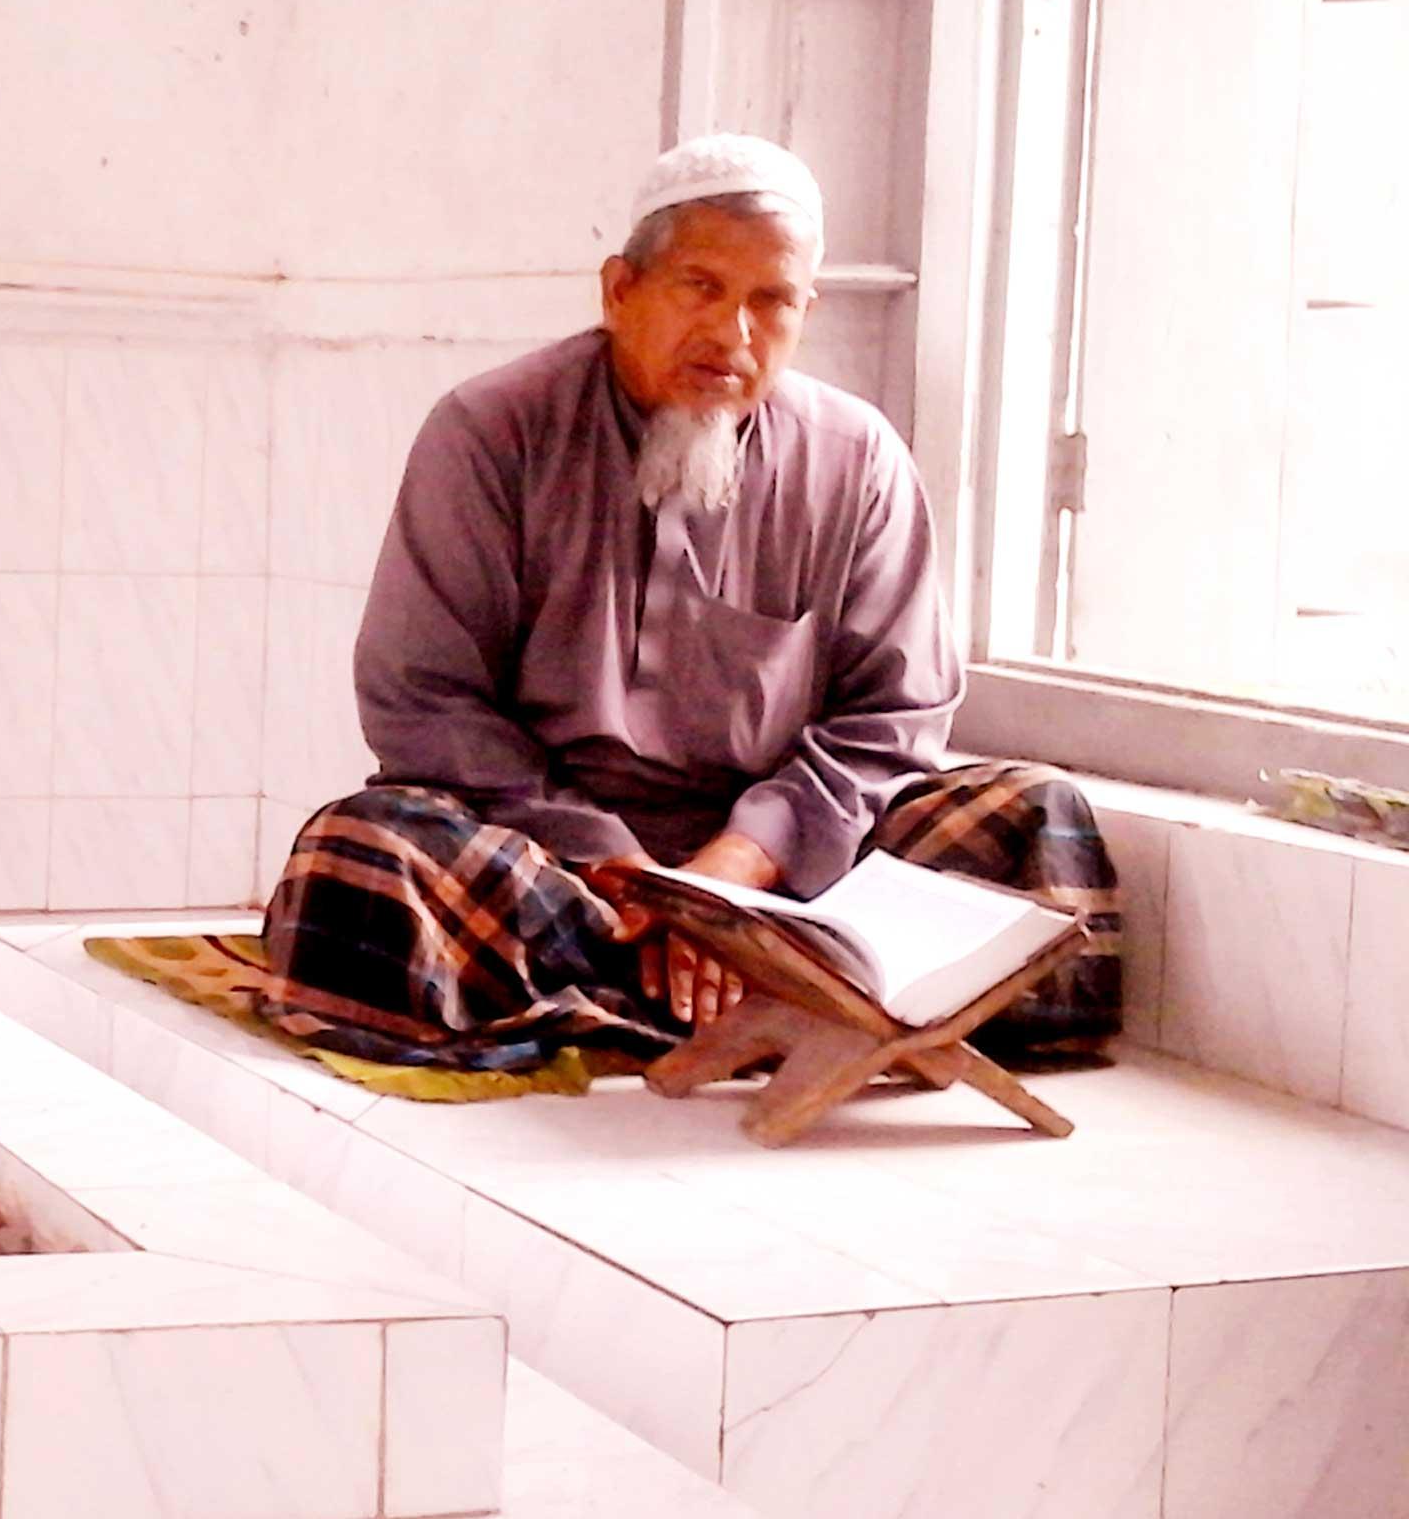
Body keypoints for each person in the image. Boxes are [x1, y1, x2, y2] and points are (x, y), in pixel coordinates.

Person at [262, 134, 1118, 1079]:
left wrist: (737, 874)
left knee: (1038, 820)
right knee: (363, 857)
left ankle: (670, 997)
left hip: (790, 875)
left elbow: (894, 715)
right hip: (559, 867)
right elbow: (425, 702)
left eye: (770, 301)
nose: (733, 335)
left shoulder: (857, 459)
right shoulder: (490, 432)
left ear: (805, 311)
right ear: (619, 289)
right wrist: (640, 884)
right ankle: (802, 1003)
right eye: (700, 288)